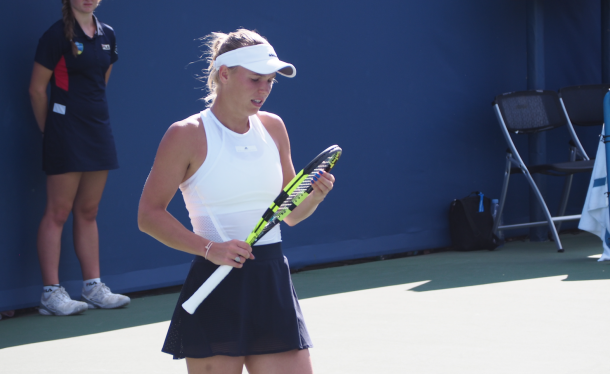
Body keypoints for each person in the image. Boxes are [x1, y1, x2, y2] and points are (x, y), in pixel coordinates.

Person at [137, 29, 336, 374]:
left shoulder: (273, 127)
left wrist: (315, 197)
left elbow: (289, 214)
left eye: (270, 82)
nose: (264, 90)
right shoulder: (186, 134)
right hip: (216, 286)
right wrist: (209, 248)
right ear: (224, 74)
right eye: (255, 79)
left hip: (271, 282)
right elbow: (149, 215)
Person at [28, 0, 129, 316]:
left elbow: (102, 79)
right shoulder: (55, 35)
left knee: (88, 210)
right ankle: (50, 293)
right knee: (58, 211)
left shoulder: (108, 34)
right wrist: (51, 130)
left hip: (97, 130)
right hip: (65, 130)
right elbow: (36, 89)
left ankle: (93, 287)